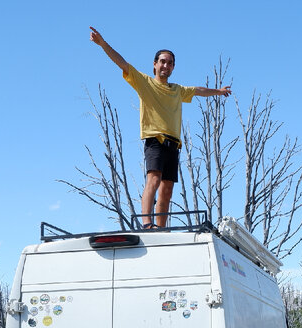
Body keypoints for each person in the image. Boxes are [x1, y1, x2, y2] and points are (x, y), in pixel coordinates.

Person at [89, 26, 231, 228]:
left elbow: (198, 90)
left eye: (170, 63)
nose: (166, 65)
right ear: (155, 64)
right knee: (154, 179)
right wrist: (103, 44)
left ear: (173, 68)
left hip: (174, 144)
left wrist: (218, 91)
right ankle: (147, 223)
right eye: (162, 61)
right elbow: (121, 62)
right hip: (155, 139)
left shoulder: (177, 90)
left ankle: (160, 228)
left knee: (167, 189)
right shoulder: (144, 82)